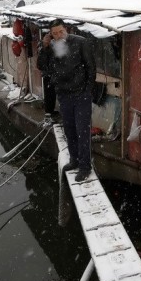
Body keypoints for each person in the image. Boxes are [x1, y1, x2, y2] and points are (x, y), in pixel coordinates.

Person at [37, 18, 96, 182]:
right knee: (69, 130)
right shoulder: (51, 47)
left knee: (82, 131)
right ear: (51, 34)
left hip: (81, 94)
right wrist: (45, 47)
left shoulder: (80, 42)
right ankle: (74, 160)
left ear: (66, 29)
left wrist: (87, 90)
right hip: (63, 95)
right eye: (54, 33)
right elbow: (41, 65)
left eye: (60, 31)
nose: (58, 35)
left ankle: (85, 167)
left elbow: (91, 67)